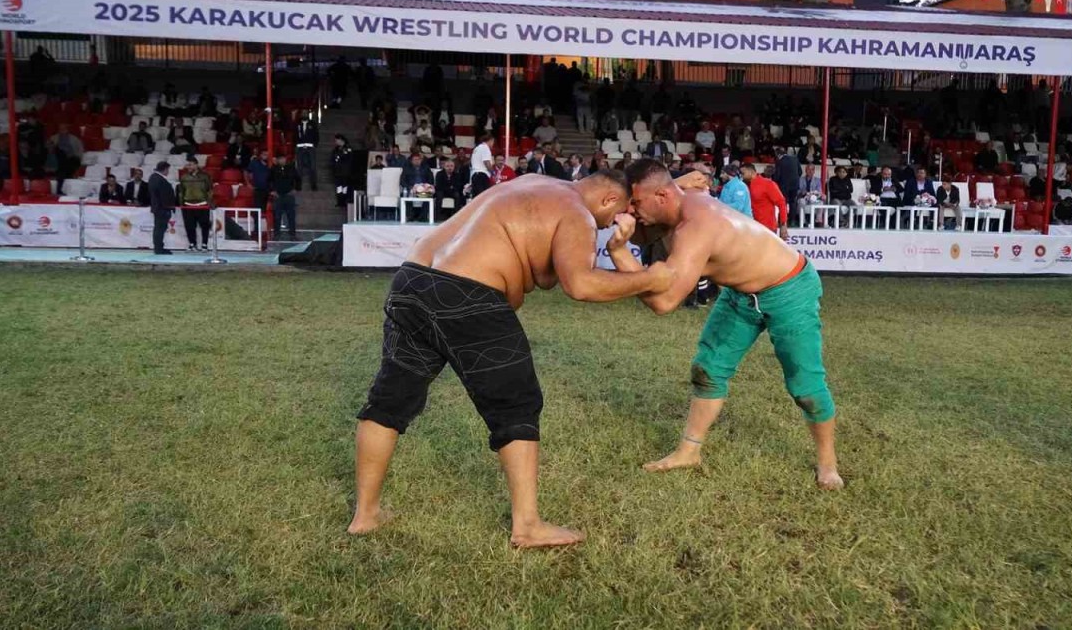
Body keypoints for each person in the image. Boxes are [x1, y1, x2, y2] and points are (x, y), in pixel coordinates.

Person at [348, 171, 674, 548]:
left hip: (411, 280)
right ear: (606, 200)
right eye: (612, 218)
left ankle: (366, 514)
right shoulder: (578, 213)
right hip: (468, 293)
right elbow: (581, 284)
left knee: (390, 398)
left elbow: (545, 269)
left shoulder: (532, 182)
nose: (609, 226)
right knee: (517, 404)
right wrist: (651, 278)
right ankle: (528, 525)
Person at [609, 161, 842, 489]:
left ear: (662, 195)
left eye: (634, 204)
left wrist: (619, 253)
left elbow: (663, 303)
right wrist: (669, 185)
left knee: (806, 386)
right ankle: (688, 452)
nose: (630, 212)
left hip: (789, 288)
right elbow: (667, 189)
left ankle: (828, 465)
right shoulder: (675, 196)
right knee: (708, 368)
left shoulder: (695, 227)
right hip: (742, 293)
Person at [743, 162, 790, 238]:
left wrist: (783, 225)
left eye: (743, 173)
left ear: (751, 172)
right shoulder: (744, 185)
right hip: (752, 227)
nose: (741, 176)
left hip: (767, 228)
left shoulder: (768, 184)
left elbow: (781, 203)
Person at [177, 156, 213, 251]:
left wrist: (209, 202)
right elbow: (181, 191)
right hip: (188, 205)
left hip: (202, 205)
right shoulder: (184, 177)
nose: (188, 166)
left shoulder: (205, 176)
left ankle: (204, 245)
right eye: (187, 164)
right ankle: (192, 244)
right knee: (189, 226)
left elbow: (210, 190)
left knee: (205, 226)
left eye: (190, 164)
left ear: (196, 165)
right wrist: (182, 204)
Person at [269, 155, 300, 239]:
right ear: (277, 160)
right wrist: (272, 191)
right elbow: (269, 180)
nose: (282, 160)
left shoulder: (291, 168)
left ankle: (292, 235)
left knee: (291, 216)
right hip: (278, 196)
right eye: (280, 159)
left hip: (289, 195)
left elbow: (298, 179)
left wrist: (296, 189)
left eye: (283, 158)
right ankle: (276, 234)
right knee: (277, 216)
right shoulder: (273, 169)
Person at [148, 161, 176, 255]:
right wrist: (168, 206)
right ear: (165, 169)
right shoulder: (158, 179)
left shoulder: (154, 178)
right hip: (162, 208)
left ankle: (159, 247)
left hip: (159, 207)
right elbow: (163, 195)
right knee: (159, 229)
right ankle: (159, 248)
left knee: (159, 229)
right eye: (168, 169)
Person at [295, 111, 320, 192]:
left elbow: (316, 134)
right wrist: (296, 144)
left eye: (306, 113)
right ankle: (298, 184)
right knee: (299, 166)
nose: (304, 114)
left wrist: (315, 144)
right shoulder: (297, 124)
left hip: (310, 146)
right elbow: (294, 134)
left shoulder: (312, 124)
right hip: (300, 146)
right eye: (303, 113)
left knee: (313, 166)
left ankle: (314, 184)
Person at [331, 134, 352, 208]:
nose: (336, 142)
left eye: (337, 140)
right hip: (338, 172)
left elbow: (347, 158)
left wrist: (339, 157)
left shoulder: (348, 148)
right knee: (339, 188)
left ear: (341, 140)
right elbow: (333, 159)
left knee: (344, 188)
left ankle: (344, 201)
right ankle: (339, 201)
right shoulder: (336, 149)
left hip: (345, 172)